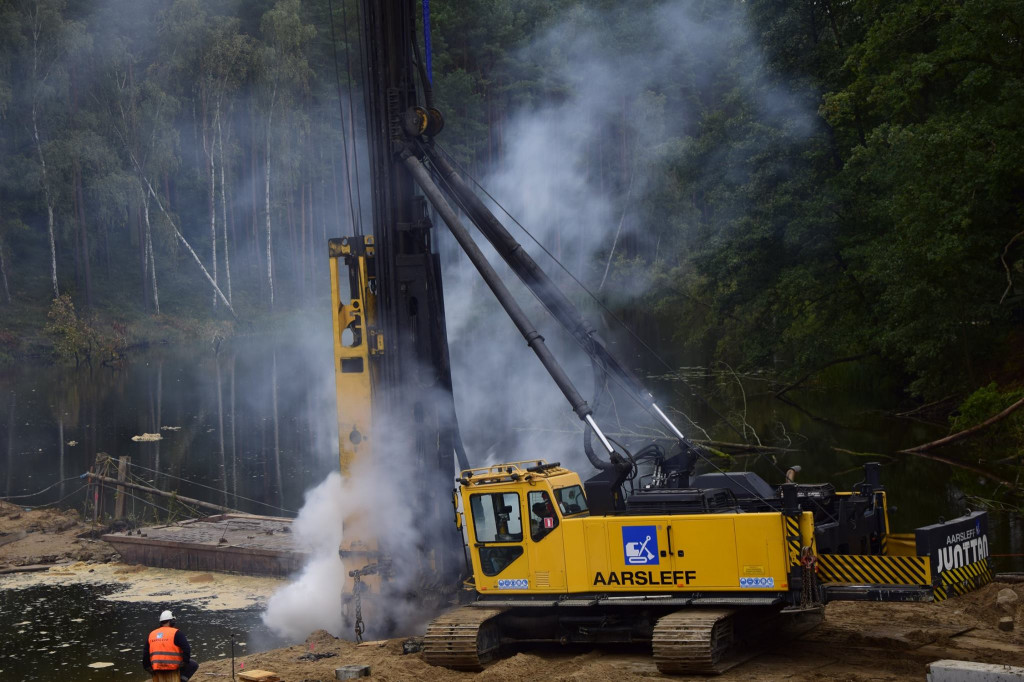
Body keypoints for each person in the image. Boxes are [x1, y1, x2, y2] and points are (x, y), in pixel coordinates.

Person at [142, 610, 198, 681]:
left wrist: (147, 667)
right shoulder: (176, 633)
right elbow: (187, 649)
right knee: (193, 665)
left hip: (156, 667)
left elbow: (145, 653)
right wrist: (184, 663)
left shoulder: (152, 634)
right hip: (173, 666)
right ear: (172, 621)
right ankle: (181, 680)